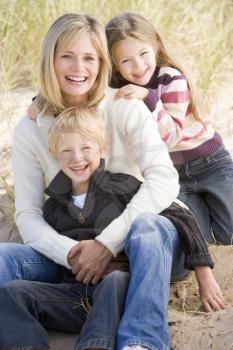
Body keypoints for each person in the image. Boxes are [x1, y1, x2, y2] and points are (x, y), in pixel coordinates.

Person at [0, 13, 221, 350]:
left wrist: (107, 244)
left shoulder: (123, 106)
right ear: (50, 60)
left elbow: (163, 181)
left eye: (89, 57)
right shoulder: (32, 126)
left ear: (101, 62)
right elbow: (28, 213)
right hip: (75, 250)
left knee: (148, 226)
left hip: (144, 244)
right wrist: (72, 252)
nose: (79, 67)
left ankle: (141, 341)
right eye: (67, 56)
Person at [44, 106, 224, 310]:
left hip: (141, 268)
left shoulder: (120, 185)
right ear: (55, 154)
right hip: (85, 294)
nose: (76, 157)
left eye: (85, 148)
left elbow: (180, 214)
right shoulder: (52, 207)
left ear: (103, 149)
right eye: (66, 150)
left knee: (147, 224)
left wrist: (204, 274)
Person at [105, 12, 233, 245]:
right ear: (114, 64)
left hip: (209, 163)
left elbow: (172, 135)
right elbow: (85, 90)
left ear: (154, 47)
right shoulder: (120, 88)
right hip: (174, 175)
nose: (138, 65)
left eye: (143, 54)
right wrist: (40, 102)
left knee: (230, 235)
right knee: (199, 239)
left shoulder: (170, 78)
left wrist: (149, 98)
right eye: (126, 60)